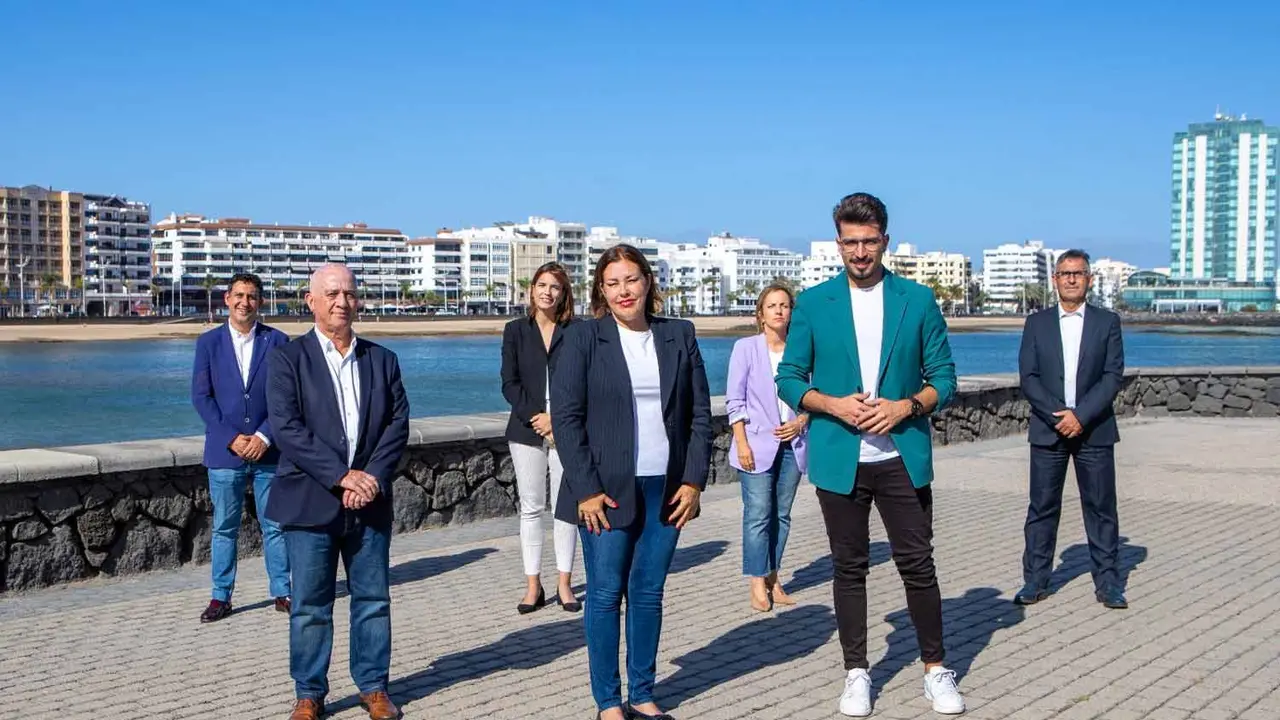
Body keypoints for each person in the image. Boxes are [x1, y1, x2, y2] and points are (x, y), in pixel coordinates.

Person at [776, 192, 965, 717]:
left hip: (902, 458)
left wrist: (906, 407)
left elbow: (944, 379)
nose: (860, 252)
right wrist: (831, 404)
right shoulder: (814, 303)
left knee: (917, 564)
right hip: (840, 459)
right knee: (849, 568)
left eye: (869, 241)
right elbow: (789, 378)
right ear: (838, 244)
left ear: (885, 240)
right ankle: (856, 673)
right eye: (850, 242)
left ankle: (935, 669)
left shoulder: (917, 300)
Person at [551, 244, 713, 720]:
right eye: (613, 282)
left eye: (631, 279)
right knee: (604, 595)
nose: (624, 290)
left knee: (648, 593)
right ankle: (608, 702)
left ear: (648, 282)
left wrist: (694, 481)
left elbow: (700, 416)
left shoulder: (679, 334)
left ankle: (642, 693)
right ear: (601, 290)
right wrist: (586, 489)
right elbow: (566, 418)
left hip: (667, 488)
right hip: (603, 492)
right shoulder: (583, 338)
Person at [265, 264, 410, 720]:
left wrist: (370, 478)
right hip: (310, 502)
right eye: (331, 294)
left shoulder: (382, 359)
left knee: (373, 600)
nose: (341, 302)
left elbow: (397, 425)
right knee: (310, 606)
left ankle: (374, 688)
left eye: (348, 293)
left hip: (369, 504)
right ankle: (309, 694)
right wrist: (341, 476)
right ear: (311, 301)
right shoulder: (288, 359)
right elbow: (287, 429)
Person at [1015, 249, 1127, 610]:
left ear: (1089, 280)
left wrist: (1081, 416)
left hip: (1094, 429)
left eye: (1078, 273)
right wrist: (1058, 416)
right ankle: (1035, 580)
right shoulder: (1037, 323)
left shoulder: (1107, 322)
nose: (1071, 279)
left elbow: (1112, 376)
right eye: (1065, 273)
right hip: (1048, 430)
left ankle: (1108, 583)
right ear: (1055, 280)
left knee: (1101, 508)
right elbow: (1029, 377)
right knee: (1042, 507)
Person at [190, 271, 291, 623]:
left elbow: (286, 398)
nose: (244, 302)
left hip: (269, 452)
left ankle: (283, 591)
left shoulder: (278, 341)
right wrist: (231, 437)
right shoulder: (208, 343)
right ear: (227, 300)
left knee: (275, 525)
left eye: (251, 296)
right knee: (224, 528)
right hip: (225, 452)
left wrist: (264, 436)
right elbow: (202, 398)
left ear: (259, 302)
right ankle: (221, 597)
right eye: (239, 295)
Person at [500, 261, 581, 614]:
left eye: (555, 287)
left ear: (564, 294)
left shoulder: (577, 331)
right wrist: (539, 419)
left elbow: (583, 380)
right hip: (526, 430)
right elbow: (509, 383)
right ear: (532, 289)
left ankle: (565, 583)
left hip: (568, 429)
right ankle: (533, 585)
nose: (548, 292)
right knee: (531, 508)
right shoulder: (515, 331)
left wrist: (557, 420)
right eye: (542, 285)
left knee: (566, 509)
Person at [725, 283, 809, 612]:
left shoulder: (801, 351)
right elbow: (735, 400)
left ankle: (774, 576)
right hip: (756, 445)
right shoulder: (746, 348)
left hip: (793, 444)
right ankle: (757, 581)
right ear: (760, 313)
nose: (779, 310)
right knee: (758, 514)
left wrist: (801, 421)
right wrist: (741, 443)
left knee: (782, 515)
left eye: (784, 305)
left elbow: (814, 395)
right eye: (772, 305)